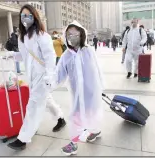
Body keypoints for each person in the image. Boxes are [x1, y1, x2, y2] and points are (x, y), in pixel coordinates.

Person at [6, 4, 66, 150]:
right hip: (32, 76)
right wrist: (13, 55)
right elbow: (25, 56)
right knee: (46, 100)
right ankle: (61, 118)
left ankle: (23, 138)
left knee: (33, 105)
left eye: (28, 15)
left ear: (34, 17)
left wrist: (50, 76)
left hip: (43, 75)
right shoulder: (22, 37)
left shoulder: (41, 35)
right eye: (23, 15)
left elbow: (50, 56)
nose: (25, 18)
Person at [49, 20, 104, 156]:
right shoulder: (66, 56)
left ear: (81, 35)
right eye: (69, 34)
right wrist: (49, 82)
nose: (71, 37)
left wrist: (100, 88)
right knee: (76, 118)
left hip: (91, 92)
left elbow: (97, 70)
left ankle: (95, 130)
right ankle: (74, 144)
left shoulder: (89, 51)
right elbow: (59, 75)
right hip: (77, 95)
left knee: (93, 113)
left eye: (75, 34)